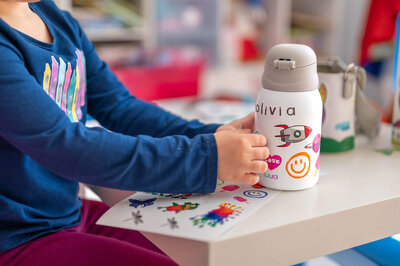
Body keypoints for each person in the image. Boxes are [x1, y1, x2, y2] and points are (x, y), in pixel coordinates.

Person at [0, 0, 269, 265]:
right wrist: (208, 158)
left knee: (217, 254)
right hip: (17, 238)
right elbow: (66, 146)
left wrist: (213, 135)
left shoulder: (54, 18)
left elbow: (120, 107)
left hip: (64, 214)